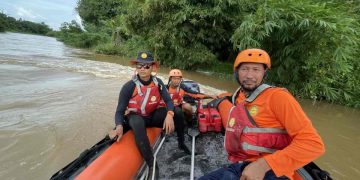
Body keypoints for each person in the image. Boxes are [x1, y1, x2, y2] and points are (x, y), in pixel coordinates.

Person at [200, 49, 325, 180]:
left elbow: (313, 144)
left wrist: (263, 165)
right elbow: (230, 100)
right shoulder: (240, 96)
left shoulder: (278, 98)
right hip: (241, 165)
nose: (249, 75)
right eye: (245, 69)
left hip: (272, 171)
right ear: (236, 72)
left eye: (256, 69)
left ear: (264, 73)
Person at [109, 51, 189, 178]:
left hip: (151, 116)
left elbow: (168, 100)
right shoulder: (129, 87)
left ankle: (181, 142)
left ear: (153, 67)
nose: (142, 69)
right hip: (136, 117)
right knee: (137, 122)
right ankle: (152, 164)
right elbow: (119, 111)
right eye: (139, 66)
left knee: (178, 112)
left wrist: (169, 114)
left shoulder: (158, 83)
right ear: (136, 68)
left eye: (146, 66)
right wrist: (119, 125)